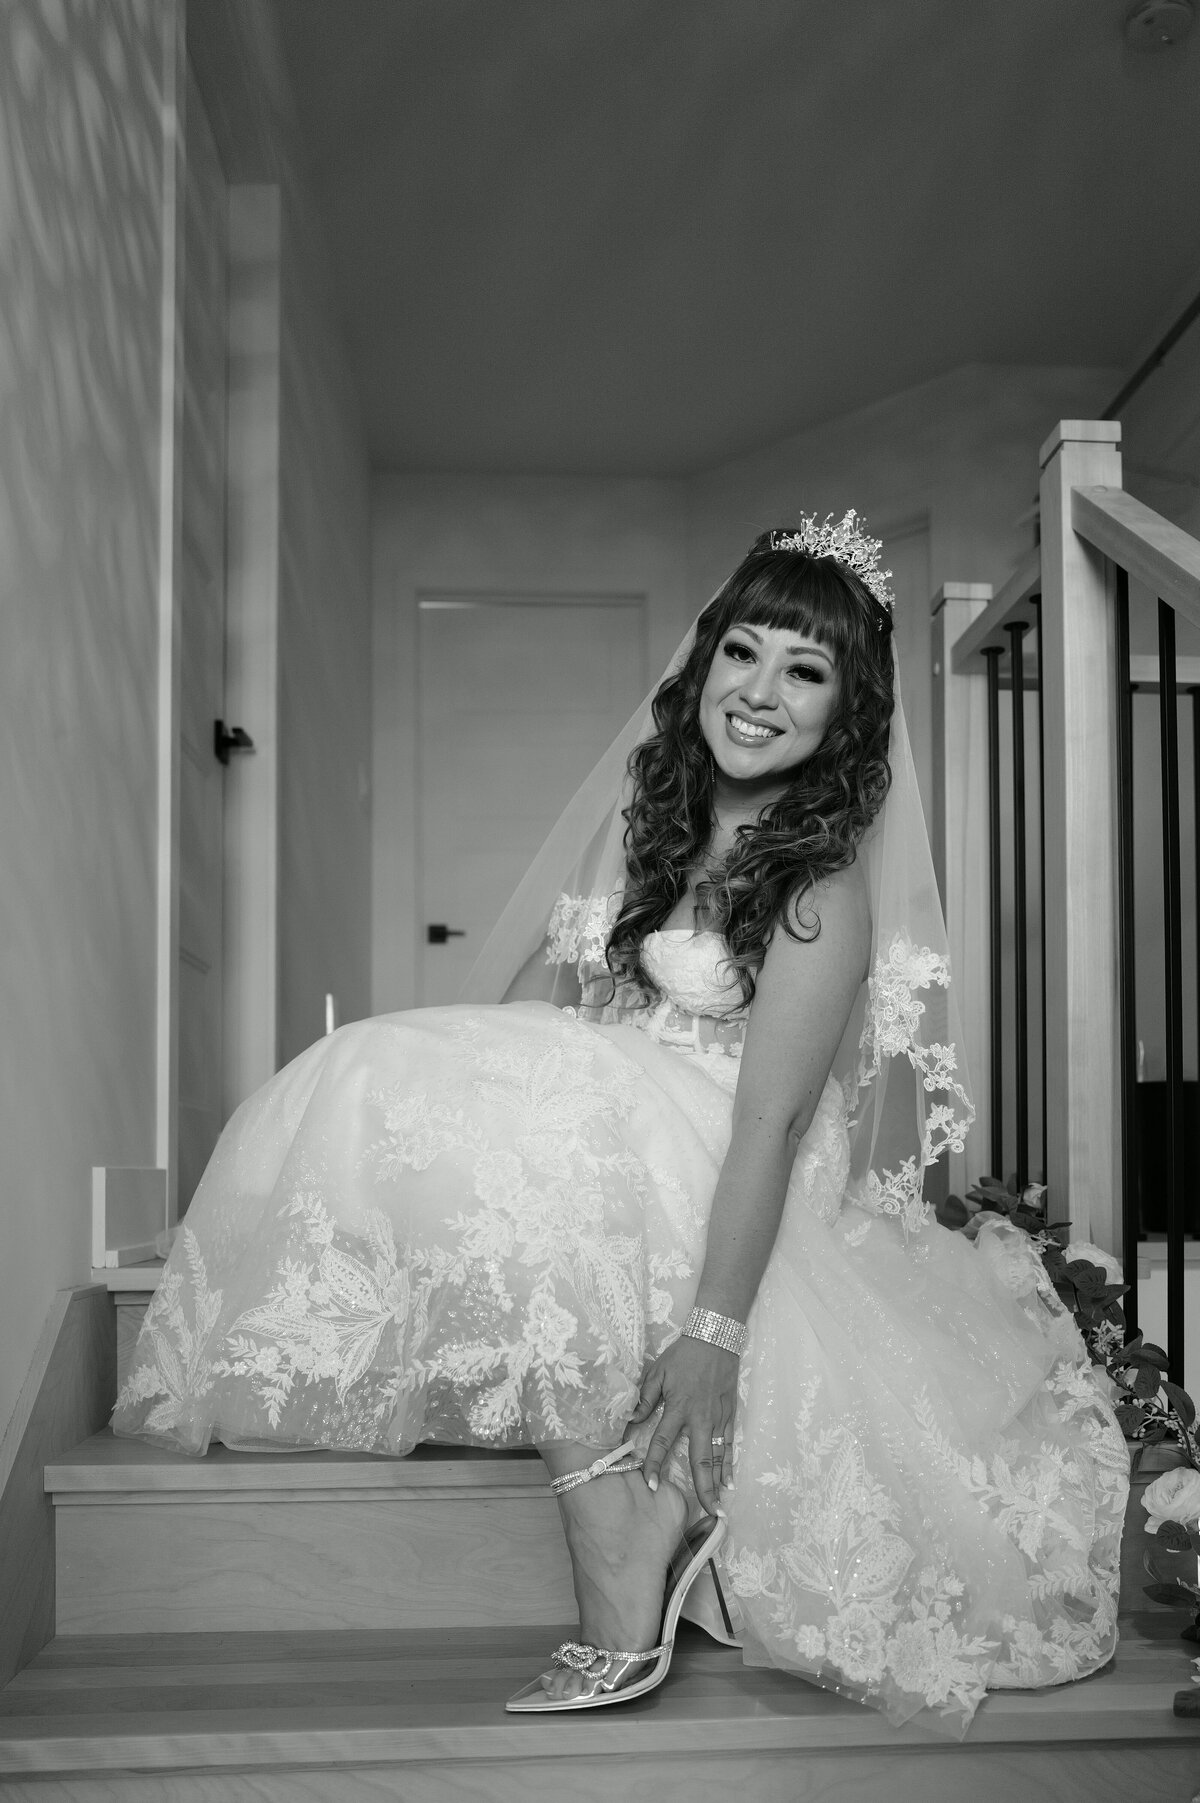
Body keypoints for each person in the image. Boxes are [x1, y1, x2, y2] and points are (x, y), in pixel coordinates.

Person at [113, 513, 1128, 1735]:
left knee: (547, 1118)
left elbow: (771, 1126)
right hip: (617, 1142)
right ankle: (620, 1501)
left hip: (734, 1175)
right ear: (701, 665)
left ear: (844, 715)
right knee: (387, 1069)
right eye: (742, 653)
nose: (759, 694)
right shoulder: (660, 834)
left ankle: (624, 1527)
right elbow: (537, 1028)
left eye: (803, 674)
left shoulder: (818, 885)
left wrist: (712, 1335)